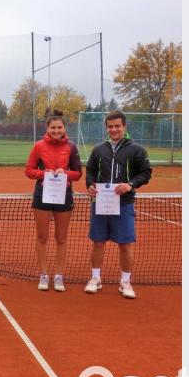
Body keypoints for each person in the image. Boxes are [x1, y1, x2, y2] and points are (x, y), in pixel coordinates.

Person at [85, 110, 152, 299]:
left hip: (124, 204)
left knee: (125, 244)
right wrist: (90, 185)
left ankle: (125, 282)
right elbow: (90, 171)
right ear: (106, 128)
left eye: (117, 126)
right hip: (100, 203)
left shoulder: (137, 150)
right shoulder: (98, 149)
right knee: (98, 242)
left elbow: (145, 173)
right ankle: (95, 279)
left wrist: (130, 184)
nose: (113, 129)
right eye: (110, 126)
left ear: (124, 126)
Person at [25, 109, 82, 292]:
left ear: (64, 128)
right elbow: (29, 170)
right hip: (42, 195)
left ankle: (58, 276)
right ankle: (43, 274)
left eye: (59, 127)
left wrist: (65, 173)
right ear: (47, 128)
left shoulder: (71, 147)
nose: (56, 130)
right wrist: (44, 174)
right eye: (53, 127)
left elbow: (78, 173)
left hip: (64, 196)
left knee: (61, 238)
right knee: (42, 237)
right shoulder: (38, 146)